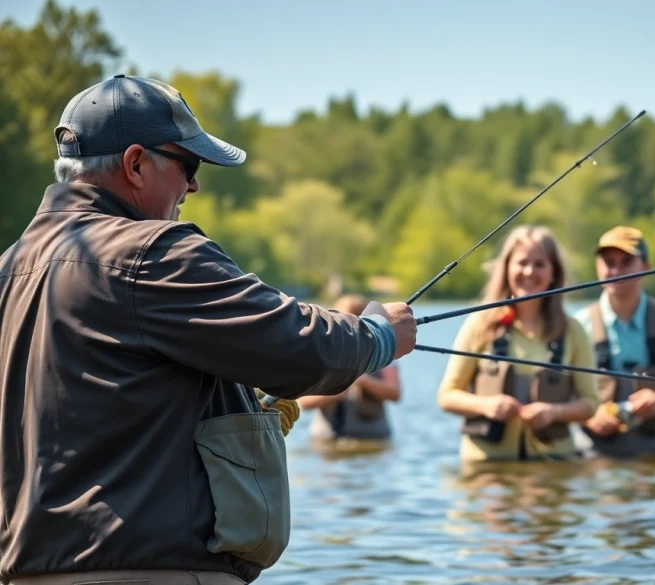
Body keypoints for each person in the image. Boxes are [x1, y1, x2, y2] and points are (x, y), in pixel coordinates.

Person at [0, 75, 417, 585]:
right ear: (135, 164)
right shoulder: (151, 251)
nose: (193, 185)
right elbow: (297, 345)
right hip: (147, 572)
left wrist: (242, 407)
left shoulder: (9, 271)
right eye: (187, 165)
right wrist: (377, 336)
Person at [437, 225, 600, 462]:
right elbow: (447, 396)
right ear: (507, 268)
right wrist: (486, 406)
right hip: (487, 471)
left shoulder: (572, 330)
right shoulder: (479, 324)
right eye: (522, 262)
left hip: (553, 465)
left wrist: (554, 412)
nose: (529, 271)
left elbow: (591, 403)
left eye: (540, 264)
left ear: (553, 273)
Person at [573, 226, 655, 458]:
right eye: (608, 262)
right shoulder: (578, 325)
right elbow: (561, 396)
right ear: (597, 267)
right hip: (595, 460)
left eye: (626, 262)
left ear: (646, 266)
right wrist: (590, 415)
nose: (616, 270)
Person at [299, 294, 402, 445]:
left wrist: (362, 381)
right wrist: (337, 390)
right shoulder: (321, 354)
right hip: (326, 440)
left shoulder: (385, 354)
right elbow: (305, 402)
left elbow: (395, 393)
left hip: (373, 438)